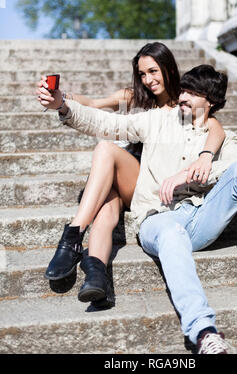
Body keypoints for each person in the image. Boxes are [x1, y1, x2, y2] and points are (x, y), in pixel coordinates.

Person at [37, 62, 237, 354]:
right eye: (183, 89)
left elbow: (234, 168)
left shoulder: (223, 138)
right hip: (158, 219)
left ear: (210, 102)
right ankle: (203, 332)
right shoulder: (159, 120)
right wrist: (63, 106)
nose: (183, 96)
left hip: (200, 218)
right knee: (172, 231)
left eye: (192, 92)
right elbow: (108, 124)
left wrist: (194, 169)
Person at [36, 42, 225, 302]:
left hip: (151, 180)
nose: (148, 80)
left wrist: (206, 156)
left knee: (106, 149)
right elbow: (93, 105)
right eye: (142, 74)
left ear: (168, 68)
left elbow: (215, 126)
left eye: (153, 71)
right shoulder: (134, 97)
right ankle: (96, 276)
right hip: (123, 173)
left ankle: (72, 236)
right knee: (107, 206)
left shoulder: (185, 100)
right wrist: (60, 98)